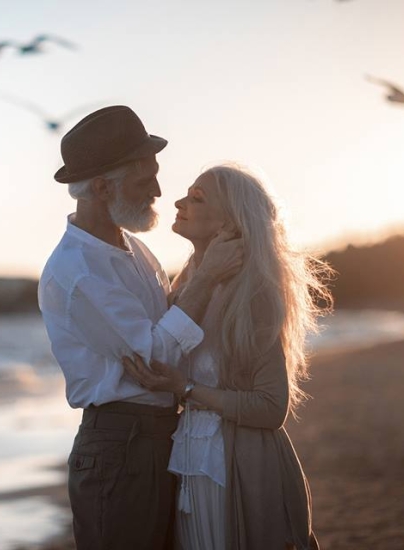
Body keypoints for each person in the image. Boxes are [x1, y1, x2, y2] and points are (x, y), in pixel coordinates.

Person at [38, 106, 243, 550]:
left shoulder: (133, 248)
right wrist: (206, 277)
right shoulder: (78, 272)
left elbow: (171, 322)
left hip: (159, 435)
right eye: (143, 179)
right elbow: (156, 356)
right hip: (120, 444)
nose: (157, 189)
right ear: (99, 187)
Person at [122, 163, 331, 550]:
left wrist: (184, 387)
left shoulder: (252, 297)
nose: (179, 202)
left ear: (230, 223)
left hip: (238, 466)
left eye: (197, 197)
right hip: (190, 460)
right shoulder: (185, 288)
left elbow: (271, 407)